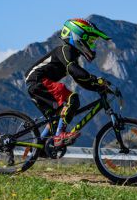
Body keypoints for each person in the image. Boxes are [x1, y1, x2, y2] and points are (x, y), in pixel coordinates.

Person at [25, 18, 111, 147]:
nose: (92, 45)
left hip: (36, 83)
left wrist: (97, 87)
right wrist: (94, 79)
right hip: (38, 80)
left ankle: (39, 147)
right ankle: (60, 135)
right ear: (78, 37)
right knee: (73, 98)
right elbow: (73, 69)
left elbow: (79, 79)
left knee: (55, 118)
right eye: (91, 40)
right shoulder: (65, 49)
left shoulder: (72, 55)